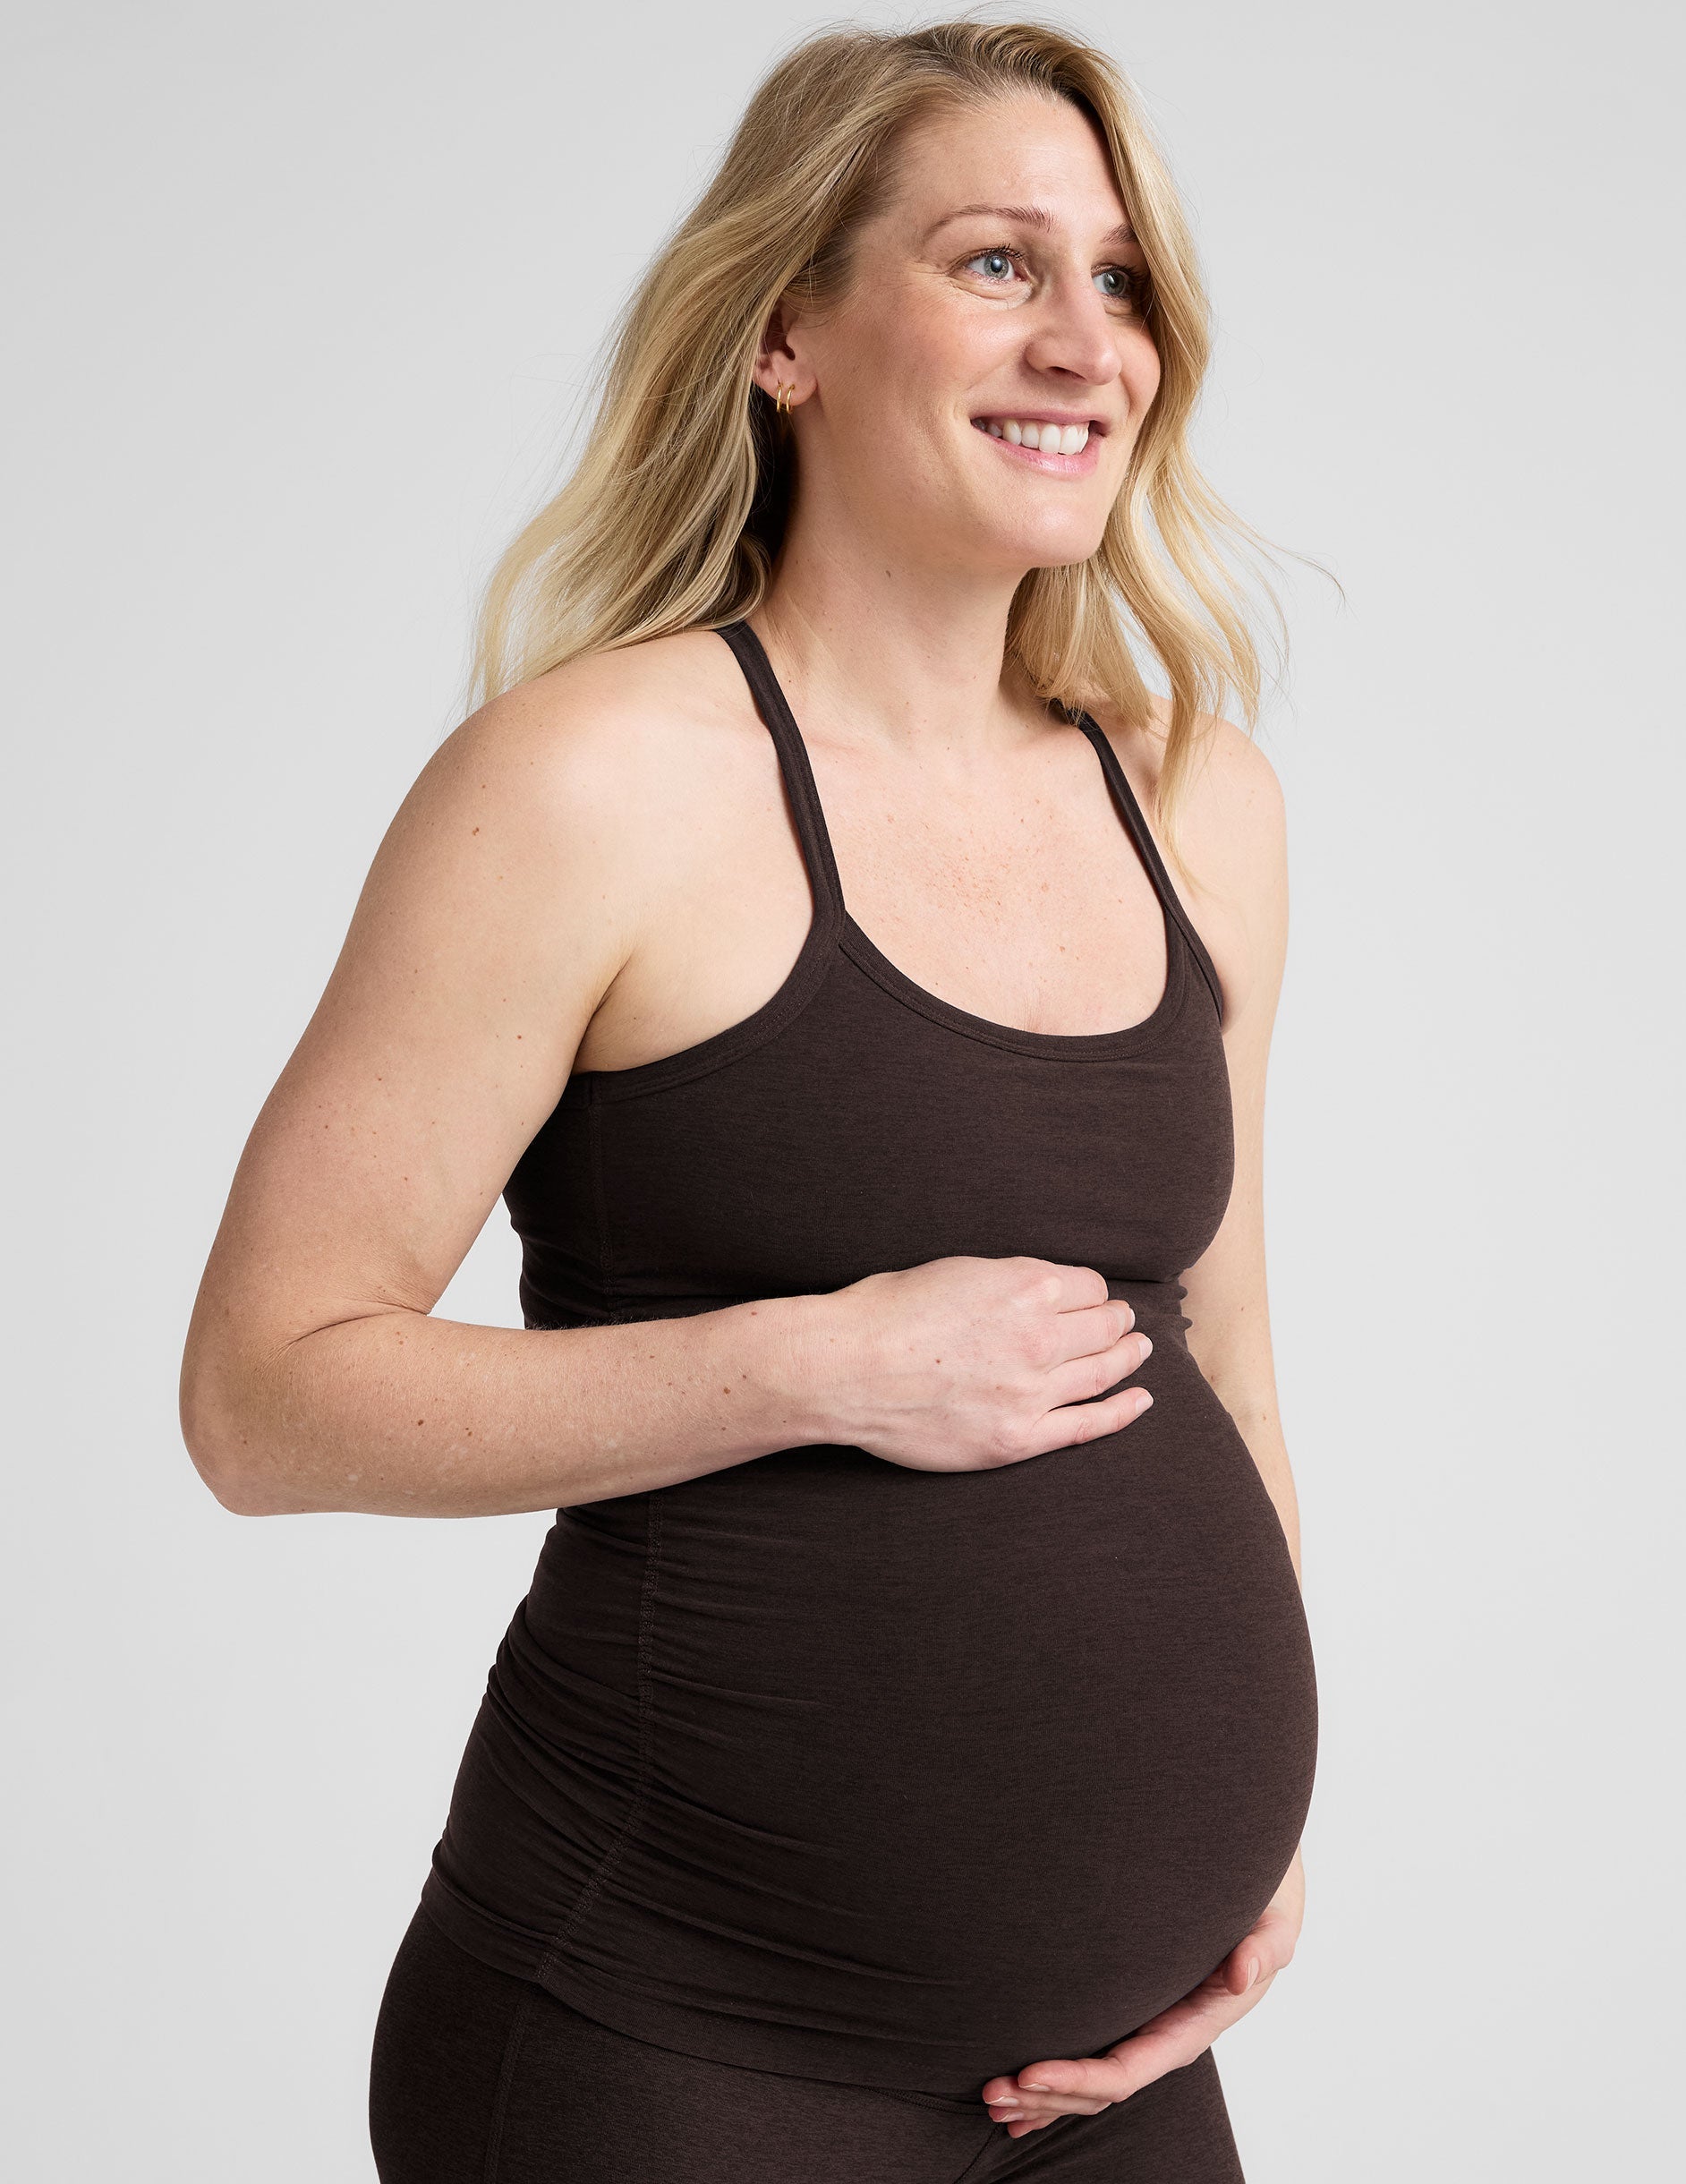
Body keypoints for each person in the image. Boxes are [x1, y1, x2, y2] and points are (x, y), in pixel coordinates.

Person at [180, 19, 1317, 2180]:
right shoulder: (593, 782)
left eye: (1125, 279)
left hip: (1117, 2067)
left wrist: (1254, 1829)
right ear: (786, 331)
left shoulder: (1196, 795)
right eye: (999, 263)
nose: (1087, 339)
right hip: (677, 2052)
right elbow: (264, 1393)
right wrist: (821, 1360)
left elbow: (1222, 1344)